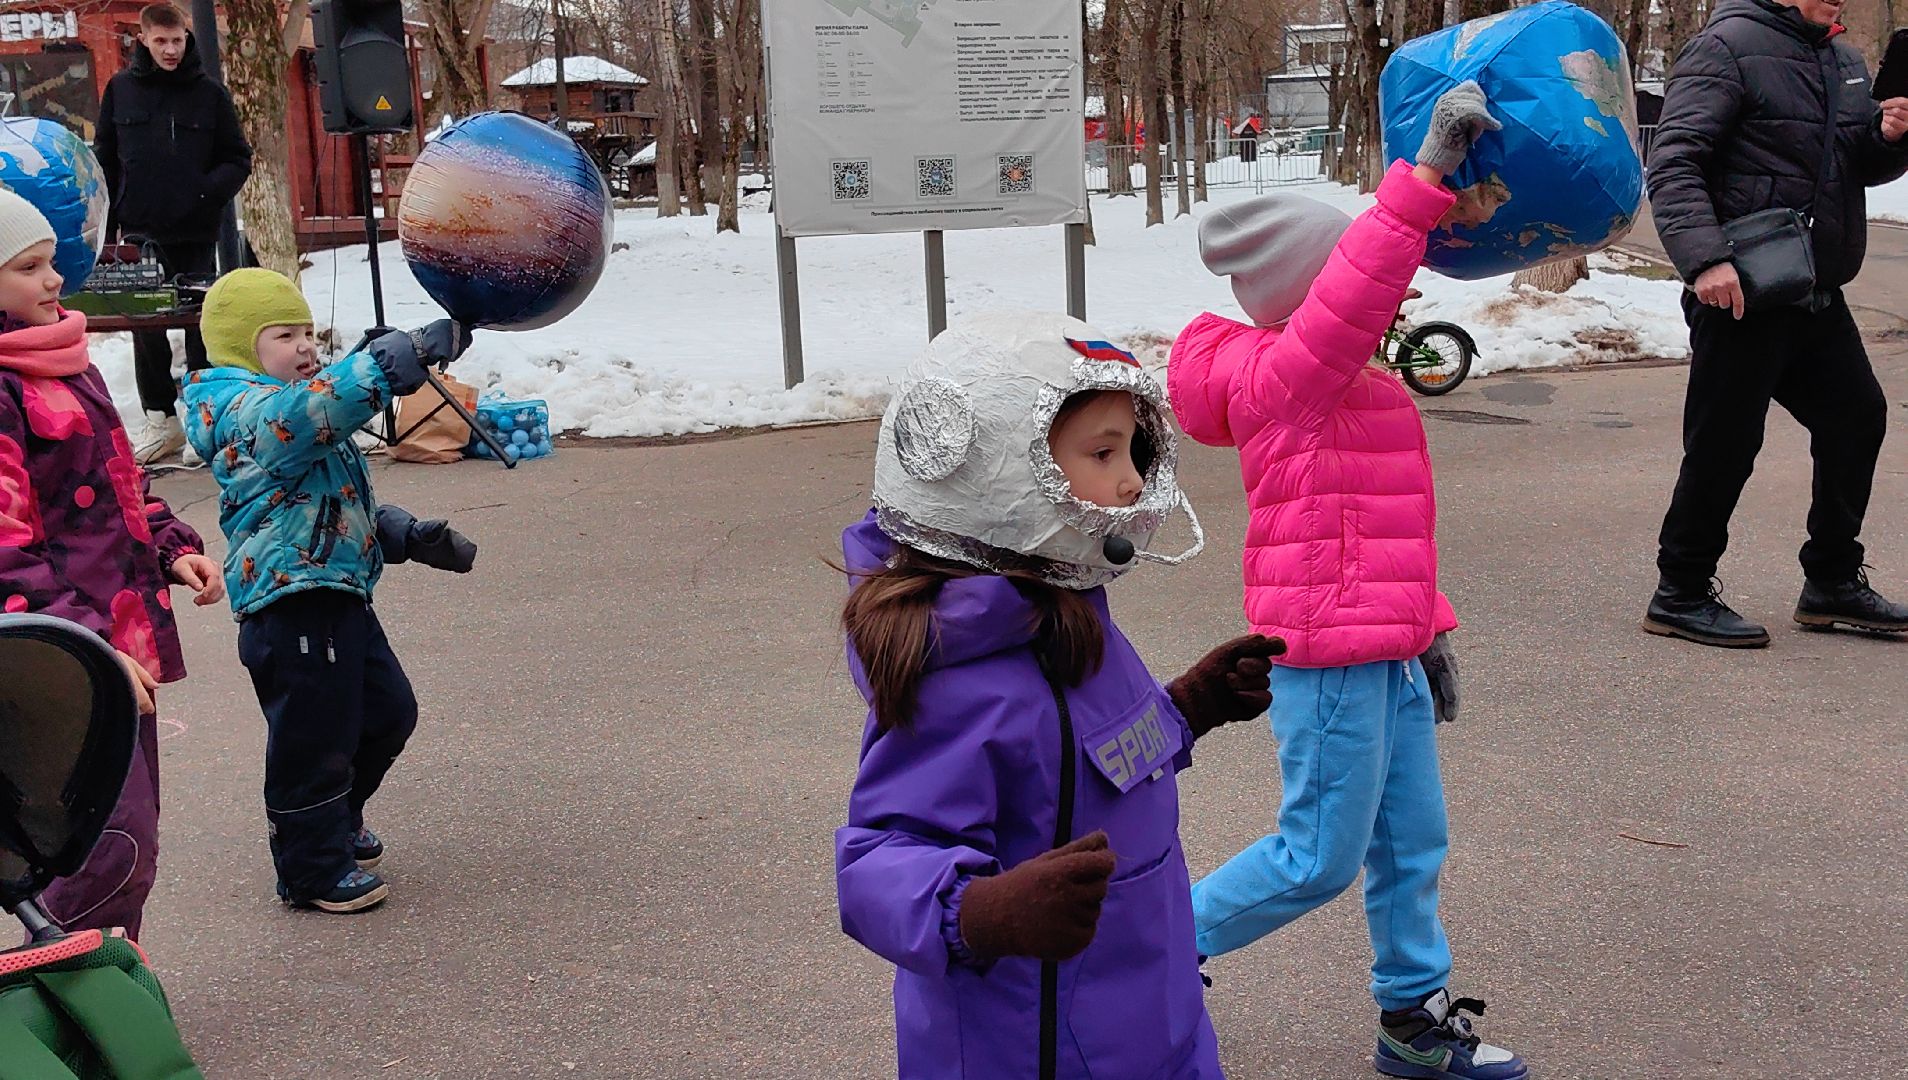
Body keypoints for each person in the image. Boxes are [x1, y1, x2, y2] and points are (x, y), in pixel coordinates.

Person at [1168, 82, 1527, 1080]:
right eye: (1355, 283)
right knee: (1318, 854)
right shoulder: (1286, 382)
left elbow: (1387, 532)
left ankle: (1411, 1024)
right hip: (1324, 659)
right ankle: (1148, 951)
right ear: (1308, 294)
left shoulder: (1349, 385)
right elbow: (1353, 293)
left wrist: (1429, 629)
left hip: (1388, 652)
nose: (1394, 298)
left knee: (1413, 842)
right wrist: (1425, 179)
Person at [835, 311, 1282, 1079]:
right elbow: (878, 858)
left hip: (1152, 1004)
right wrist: (977, 914)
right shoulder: (961, 680)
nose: (1134, 480)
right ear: (993, 475)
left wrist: (1188, 708)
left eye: (1134, 450)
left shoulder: (1068, 610)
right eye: (1102, 453)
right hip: (1033, 1043)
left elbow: (1093, 763)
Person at [181, 269, 477, 914]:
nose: (305, 346)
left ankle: (336, 820)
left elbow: (321, 501)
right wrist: (378, 369)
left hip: (335, 592)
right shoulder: (236, 408)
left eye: (309, 332)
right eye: (284, 335)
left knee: (388, 713)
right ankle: (311, 869)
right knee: (313, 738)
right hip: (291, 604)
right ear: (239, 347)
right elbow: (302, 419)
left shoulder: (294, 399)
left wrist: (402, 533)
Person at [1644, 0, 1908, 647]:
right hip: (1741, 288)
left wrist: (1888, 139)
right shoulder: (1726, 46)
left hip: (1813, 288)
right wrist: (1705, 260)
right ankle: (1678, 590)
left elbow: (1853, 166)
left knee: (1857, 416)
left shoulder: (1843, 58)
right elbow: (1675, 161)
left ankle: (1831, 582)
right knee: (1725, 442)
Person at [0, 188, 224, 939]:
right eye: (28, 268)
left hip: (119, 647)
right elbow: (4, 548)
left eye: (50, 262)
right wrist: (79, 650)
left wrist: (170, 547)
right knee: (105, 845)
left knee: (132, 839)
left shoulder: (65, 358)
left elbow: (121, 480)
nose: (54, 279)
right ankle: (72, 987)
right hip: (60, 662)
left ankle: (112, 974)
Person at [96, 2, 253, 466]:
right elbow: (105, 158)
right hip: (139, 229)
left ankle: (204, 420)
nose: (170, 49)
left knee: (202, 324)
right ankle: (161, 418)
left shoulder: (209, 94)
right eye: (160, 40)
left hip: (195, 231)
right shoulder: (121, 89)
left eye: (177, 40)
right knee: (146, 329)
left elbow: (237, 158)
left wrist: (206, 193)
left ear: (187, 39)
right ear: (143, 39)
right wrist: (106, 232)